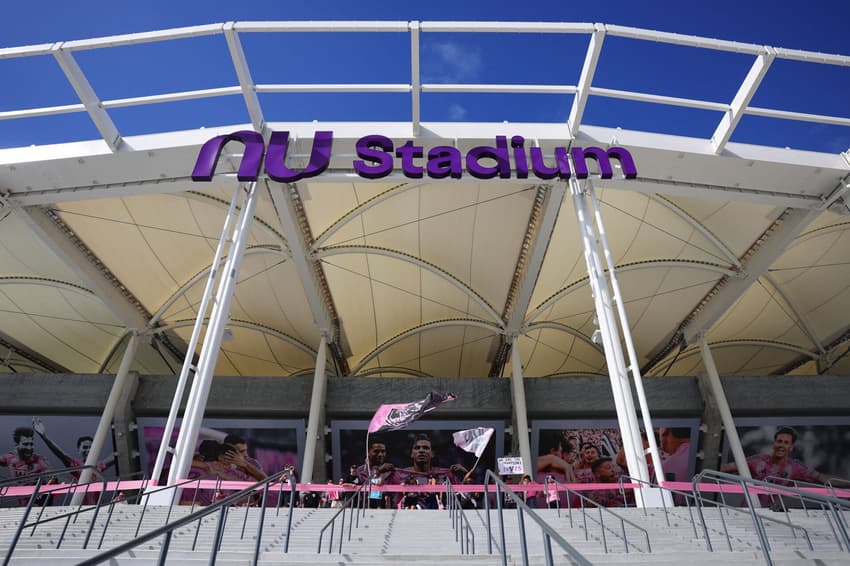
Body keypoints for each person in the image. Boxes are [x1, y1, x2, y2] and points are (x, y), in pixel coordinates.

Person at [722, 427, 848, 487]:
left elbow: (823, 478)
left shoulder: (796, 467)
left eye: (786, 443)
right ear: (774, 444)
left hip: (778, 514)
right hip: (748, 510)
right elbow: (726, 468)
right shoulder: (758, 460)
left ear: (791, 447)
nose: (781, 445)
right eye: (779, 441)